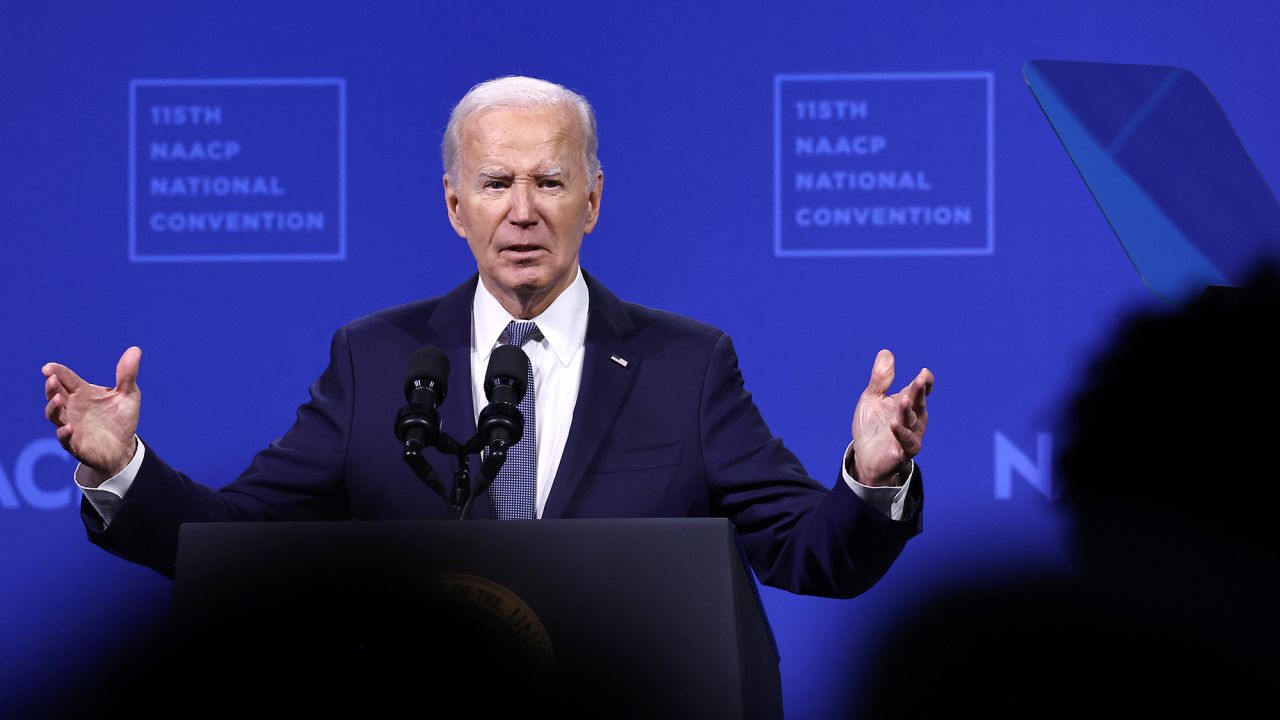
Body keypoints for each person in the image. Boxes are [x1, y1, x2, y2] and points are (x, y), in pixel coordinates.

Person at [42, 76, 933, 597]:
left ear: (593, 199)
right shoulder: (376, 358)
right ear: (453, 204)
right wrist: (123, 468)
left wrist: (871, 481)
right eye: (495, 182)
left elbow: (811, 553)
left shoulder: (686, 364)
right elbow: (233, 542)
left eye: (550, 181)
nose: (521, 211)